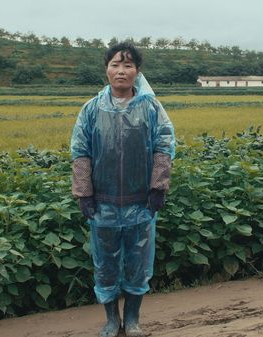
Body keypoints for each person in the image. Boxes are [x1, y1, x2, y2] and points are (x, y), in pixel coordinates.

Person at [70, 42, 175, 337]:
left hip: (140, 203)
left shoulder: (151, 108)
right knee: (105, 265)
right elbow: (80, 152)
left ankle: (132, 320)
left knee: (138, 264)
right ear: (106, 69)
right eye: (116, 64)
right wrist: (84, 193)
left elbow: (164, 145)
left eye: (128, 66)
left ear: (137, 72)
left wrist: (158, 187)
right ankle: (111, 320)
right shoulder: (91, 110)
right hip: (102, 204)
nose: (121, 71)